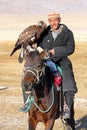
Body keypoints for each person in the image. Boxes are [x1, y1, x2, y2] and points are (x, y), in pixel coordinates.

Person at [37, 12, 78, 124]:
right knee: (30, 75)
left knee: (69, 83)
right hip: (45, 61)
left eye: (55, 20)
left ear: (59, 20)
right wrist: (40, 50)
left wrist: (55, 51)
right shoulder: (44, 33)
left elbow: (71, 48)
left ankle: (66, 109)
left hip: (62, 62)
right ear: (48, 22)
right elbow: (39, 44)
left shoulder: (67, 33)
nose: (53, 23)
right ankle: (28, 102)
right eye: (51, 21)